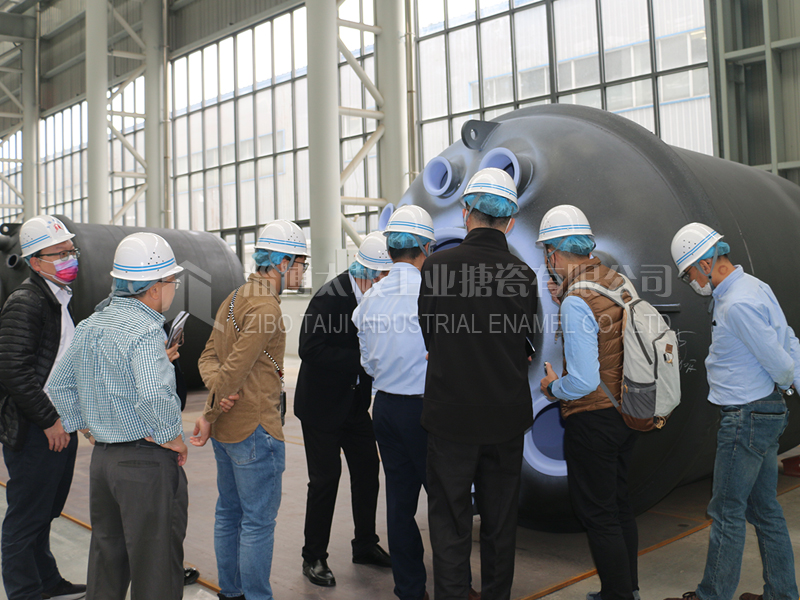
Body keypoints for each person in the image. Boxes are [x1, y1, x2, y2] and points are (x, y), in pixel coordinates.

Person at [47, 232, 188, 600]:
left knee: (107, 561)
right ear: (154, 288)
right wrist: (173, 436)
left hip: (104, 462)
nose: (174, 289)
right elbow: (154, 393)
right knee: (156, 568)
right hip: (145, 464)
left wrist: (87, 427)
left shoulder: (91, 324)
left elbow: (58, 385)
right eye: (172, 281)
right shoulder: (146, 330)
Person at [418, 168, 536, 600]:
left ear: (466, 212)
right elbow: (527, 344)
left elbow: (430, 334)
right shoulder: (523, 275)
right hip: (505, 419)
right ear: (511, 221)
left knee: (450, 520)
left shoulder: (438, 267)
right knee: (500, 522)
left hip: (450, 418)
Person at [664, 224, 799, 600]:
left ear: (706, 264)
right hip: (764, 413)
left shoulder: (736, 304)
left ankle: (713, 595)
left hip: (746, 417)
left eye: (689, 273)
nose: (691, 281)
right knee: (764, 509)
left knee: (726, 510)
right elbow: (788, 339)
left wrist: (786, 380)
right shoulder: (754, 287)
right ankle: (782, 594)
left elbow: (780, 362)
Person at [191, 219, 309, 600]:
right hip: (256, 430)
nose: (303, 270)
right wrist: (211, 410)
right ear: (282, 263)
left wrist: (218, 400)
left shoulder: (234, 298)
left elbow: (208, 359)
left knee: (229, 513)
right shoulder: (266, 308)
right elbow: (233, 370)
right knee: (258, 522)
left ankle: (232, 592)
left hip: (228, 432)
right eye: (301, 263)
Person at [537, 205, 638, 600]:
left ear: (554, 254)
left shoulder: (576, 300)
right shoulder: (617, 281)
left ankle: (617, 595)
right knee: (619, 504)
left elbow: (582, 380)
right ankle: (628, 589)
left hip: (593, 419)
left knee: (598, 514)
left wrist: (553, 388)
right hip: (627, 409)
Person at [295, 231, 392, 587]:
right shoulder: (330, 297)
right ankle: (313, 557)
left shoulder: (376, 297)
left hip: (354, 406)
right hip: (321, 407)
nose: (387, 282)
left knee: (367, 472)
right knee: (325, 481)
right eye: (384, 276)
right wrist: (361, 361)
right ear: (368, 272)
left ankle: (365, 544)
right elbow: (309, 348)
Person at [352, 206, 436, 600]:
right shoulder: (432, 294)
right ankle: (454, 585)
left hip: (385, 408)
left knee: (400, 504)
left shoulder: (370, 300)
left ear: (389, 250)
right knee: (443, 502)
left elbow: (368, 363)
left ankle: (410, 588)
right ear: (426, 248)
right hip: (427, 410)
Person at [0, 215, 85, 600]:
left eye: (71, 251)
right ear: (35, 262)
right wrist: (50, 420)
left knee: (45, 510)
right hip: (37, 428)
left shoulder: (59, 298)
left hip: (60, 423)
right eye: (59, 254)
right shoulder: (26, 302)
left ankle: (46, 581)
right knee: (26, 516)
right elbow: (12, 370)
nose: (70, 259)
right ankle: (24, 591)